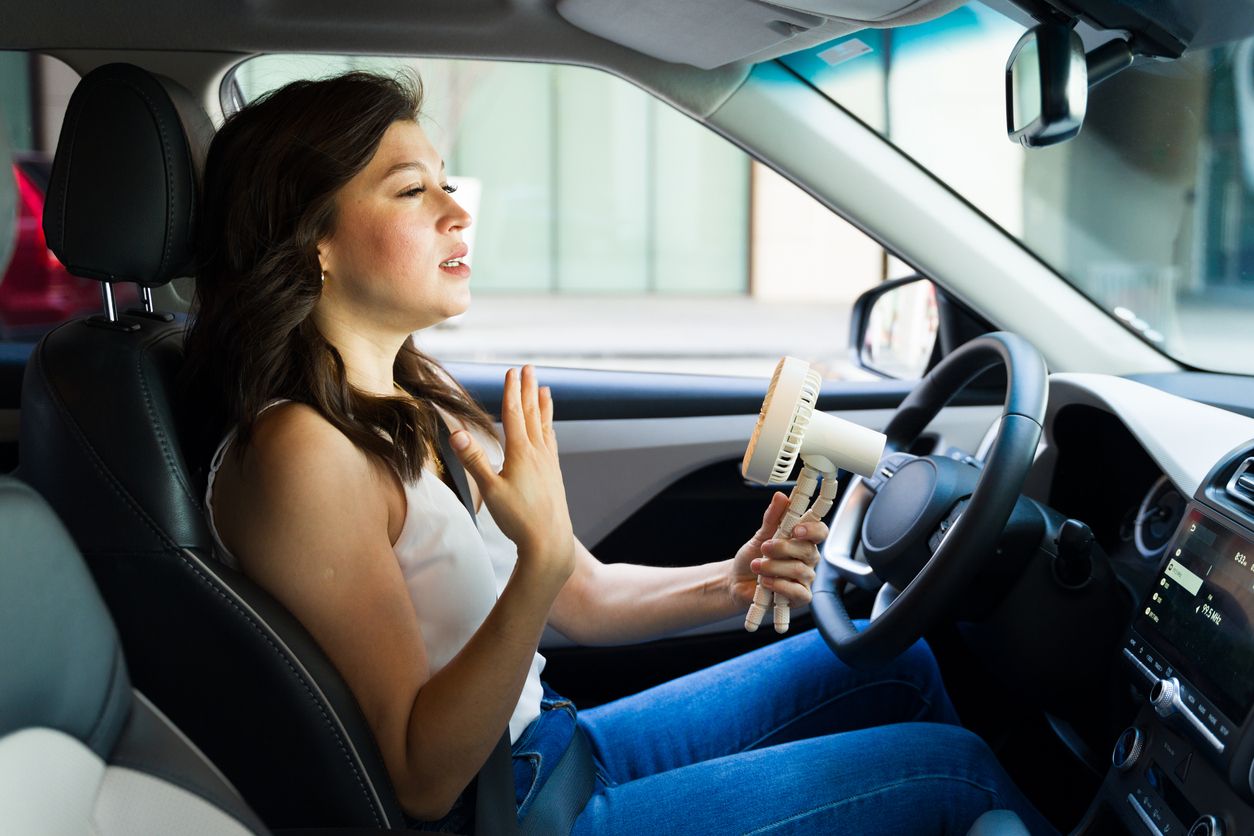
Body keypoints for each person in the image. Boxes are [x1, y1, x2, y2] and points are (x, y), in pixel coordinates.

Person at [182, 70, 1057, 835]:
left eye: (449, 184)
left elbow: (584, 594)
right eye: (413, 192)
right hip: (511, 809)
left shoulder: (403, 399)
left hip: (556, 749)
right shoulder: (300, 451)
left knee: (896, 661)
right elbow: (420, 775)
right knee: (956, 772)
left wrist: (733, 579)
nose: (458, 212)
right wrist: (536, 559)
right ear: (315, 241)